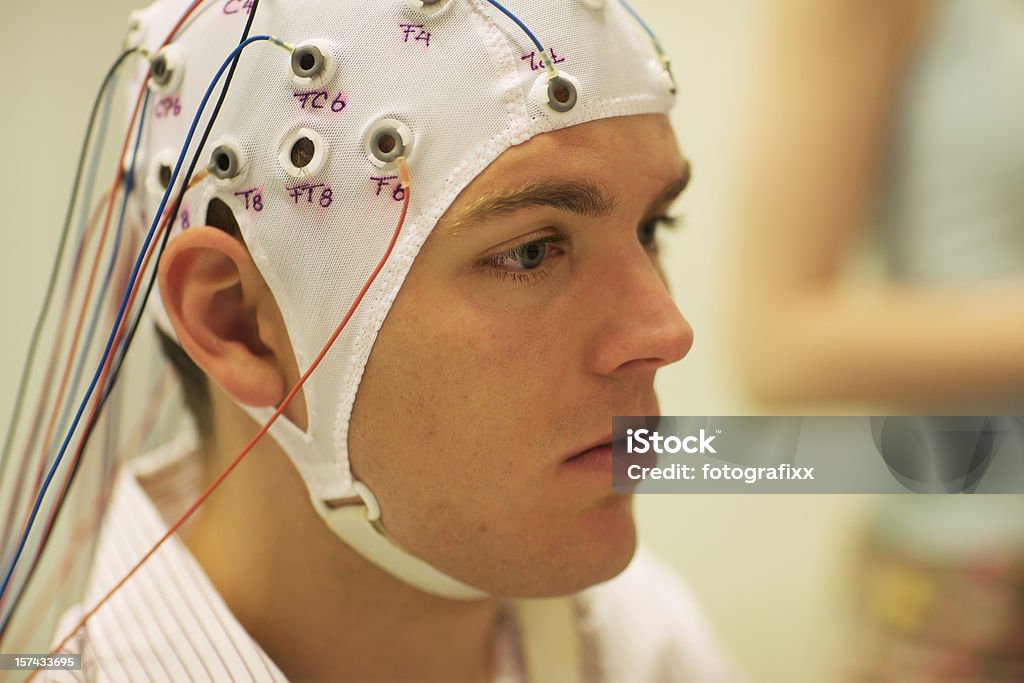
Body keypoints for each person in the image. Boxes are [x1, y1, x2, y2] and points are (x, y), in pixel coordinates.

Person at [35, 0, 739, 680]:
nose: (667, 331)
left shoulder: (646, 640)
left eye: (651, 228)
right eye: (531, 251)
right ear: (240, 325)